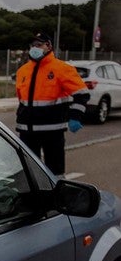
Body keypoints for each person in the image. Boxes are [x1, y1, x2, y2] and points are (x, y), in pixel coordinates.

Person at [15, 32, 90, 176]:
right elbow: (22, 100)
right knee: (30, 173)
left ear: (48, 46)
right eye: (32, 45)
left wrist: (75, 117)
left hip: (52, 132)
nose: (34, 48)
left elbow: (82, 95)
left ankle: (57, 196)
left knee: (55, 172)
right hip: (26, 132)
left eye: (38, 45)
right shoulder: (22, 71)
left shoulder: (62, 69)